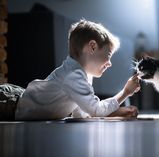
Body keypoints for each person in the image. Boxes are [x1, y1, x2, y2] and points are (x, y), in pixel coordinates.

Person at [0, 19, 140, 120]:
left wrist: (113, 112)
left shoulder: (82, 75)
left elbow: (82, 113)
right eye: (108, 55)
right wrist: (125, 92)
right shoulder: (74, 76)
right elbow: (95, 110)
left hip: (18, 99)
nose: (109, 63)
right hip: (10, 103)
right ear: (92, 47)